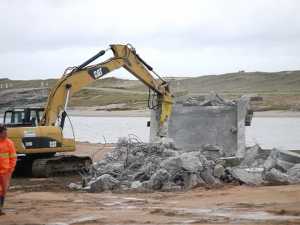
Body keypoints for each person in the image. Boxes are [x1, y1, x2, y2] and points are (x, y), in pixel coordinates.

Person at [0, 124, 17, 215]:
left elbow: (13, 157)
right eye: (4, 132)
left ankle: (0, 208)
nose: (6, 134)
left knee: (4, 190)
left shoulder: (9, 143)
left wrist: (11, 169)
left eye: (6, 132)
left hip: (6, 172)